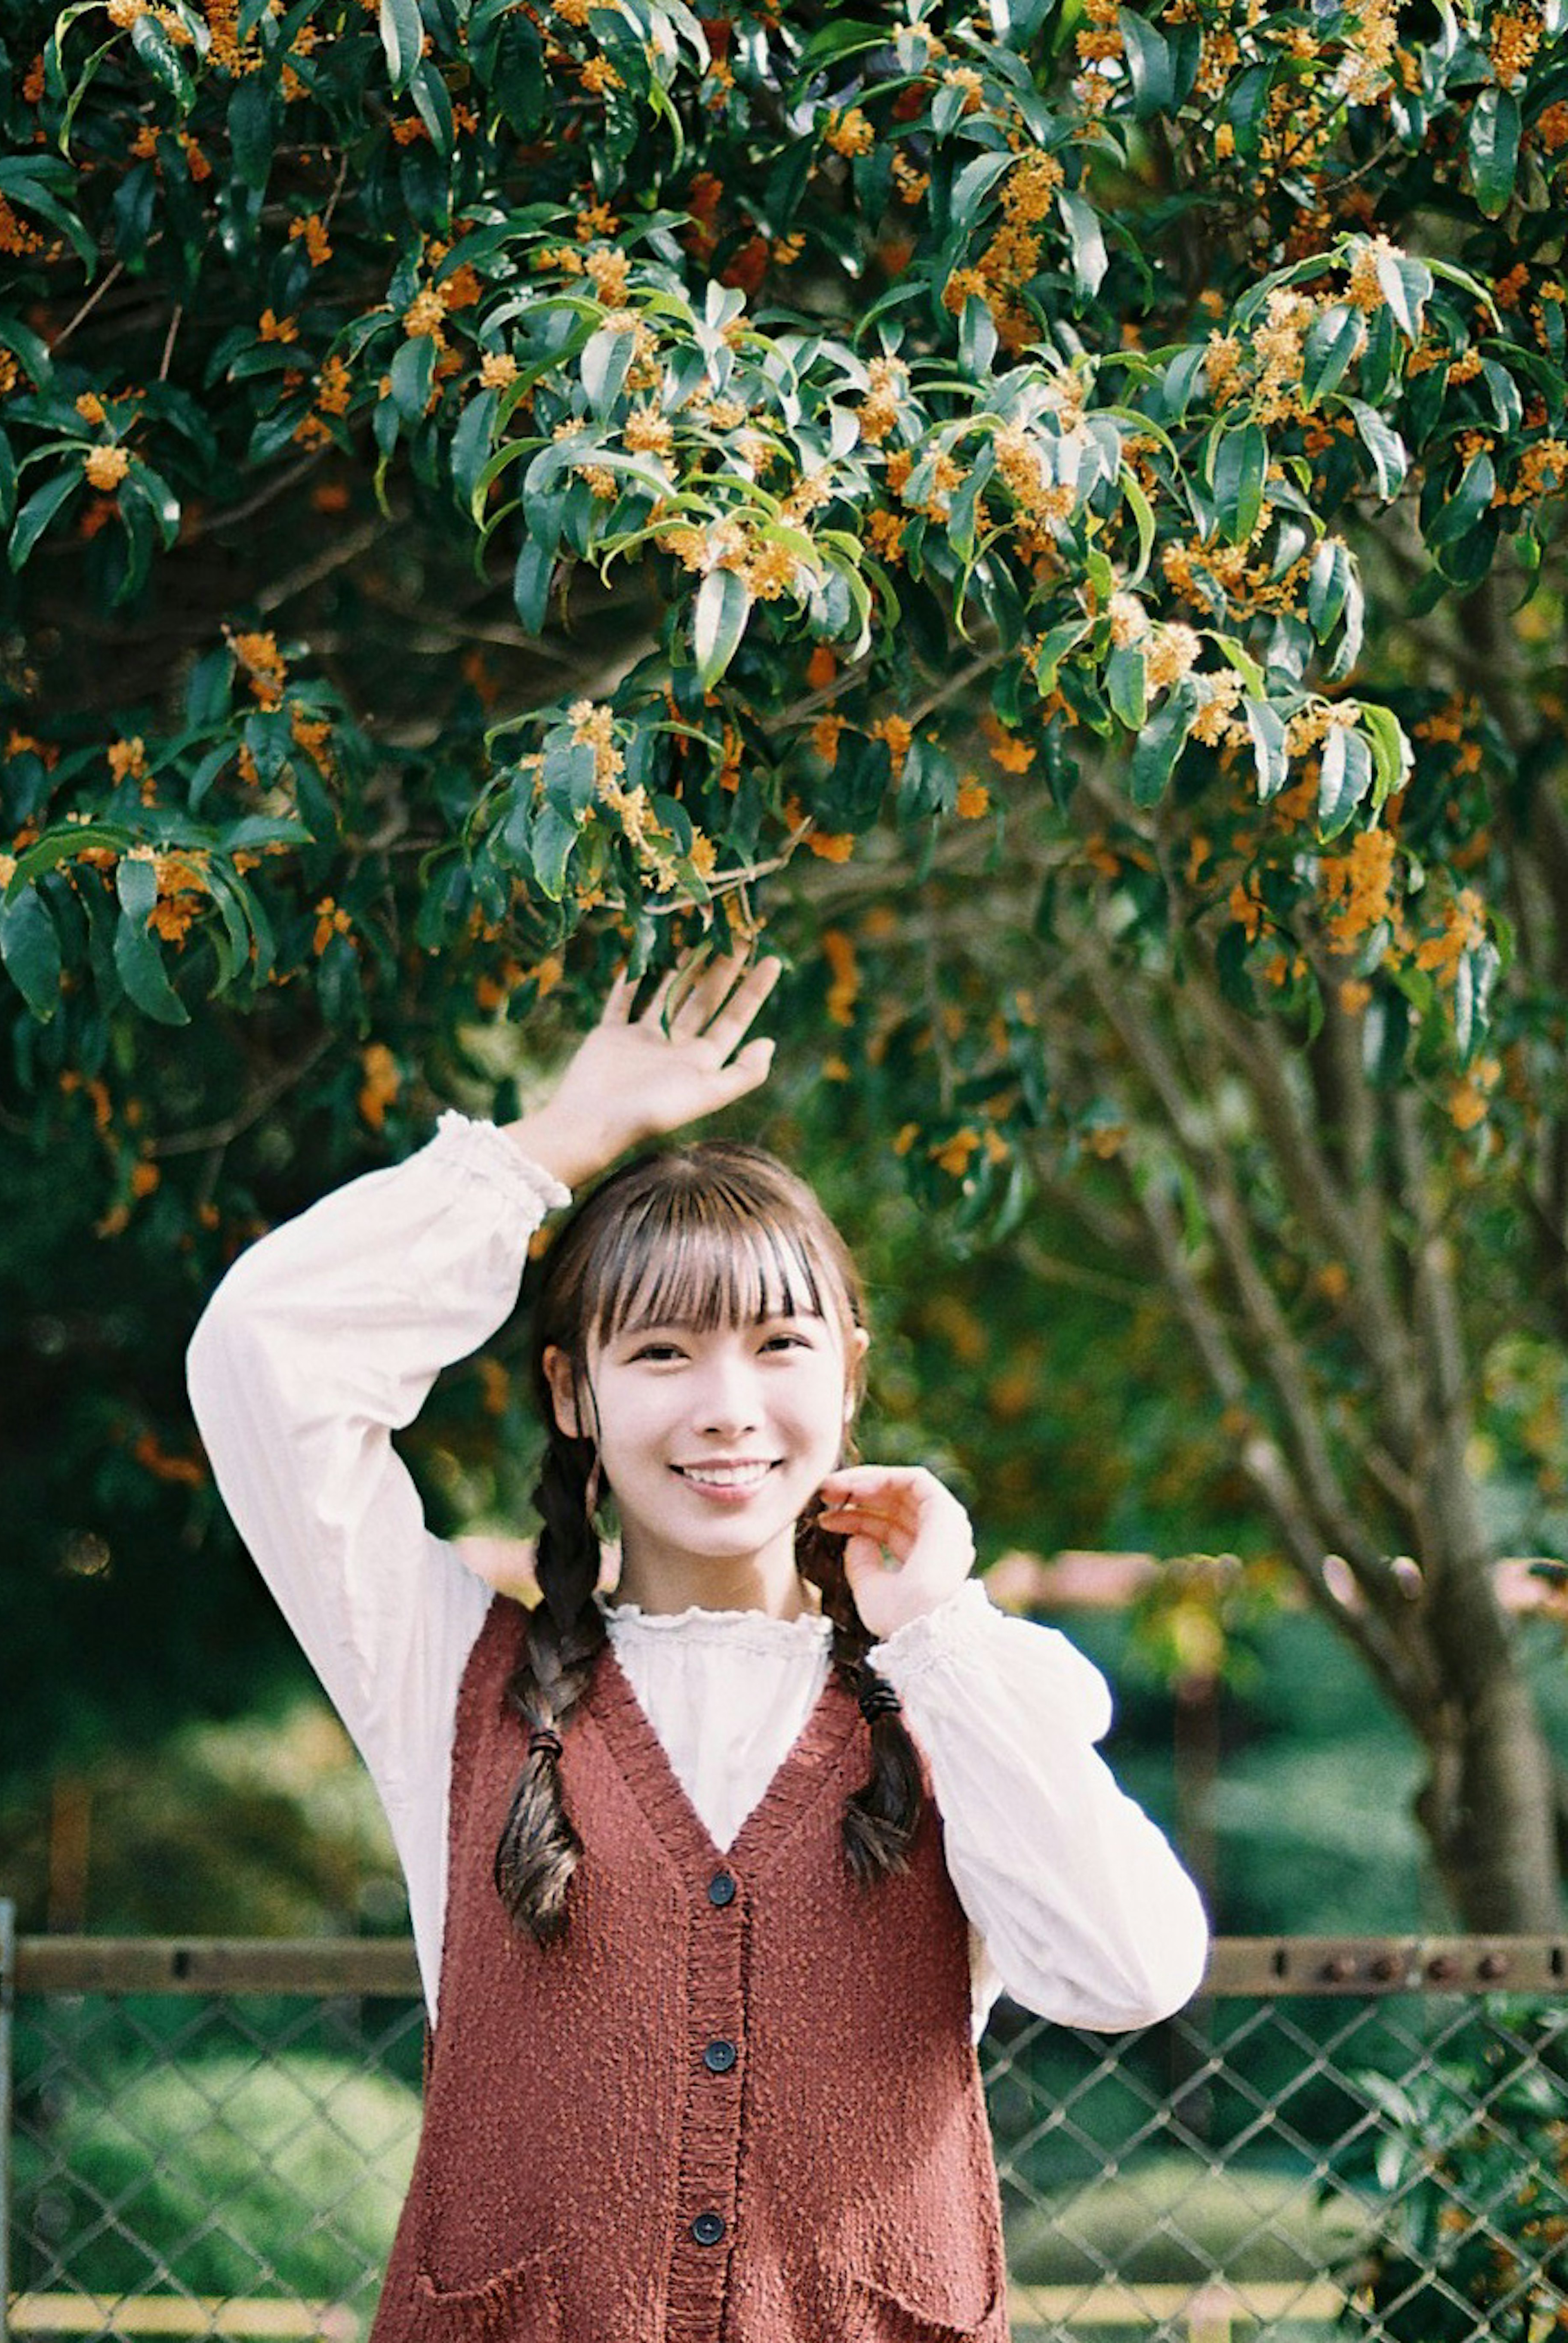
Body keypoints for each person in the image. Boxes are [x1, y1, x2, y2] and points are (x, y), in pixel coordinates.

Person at [186, 947, 1208, 2343]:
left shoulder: (955, 1693)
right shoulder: (442, 1672)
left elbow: (1131, 1972)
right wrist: (554, 1148)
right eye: (662, 1353)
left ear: (850, 1376)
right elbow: (263, 1351)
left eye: (779, 1346)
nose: (727, 1408)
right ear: (573, 1392)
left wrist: (942, 1636)